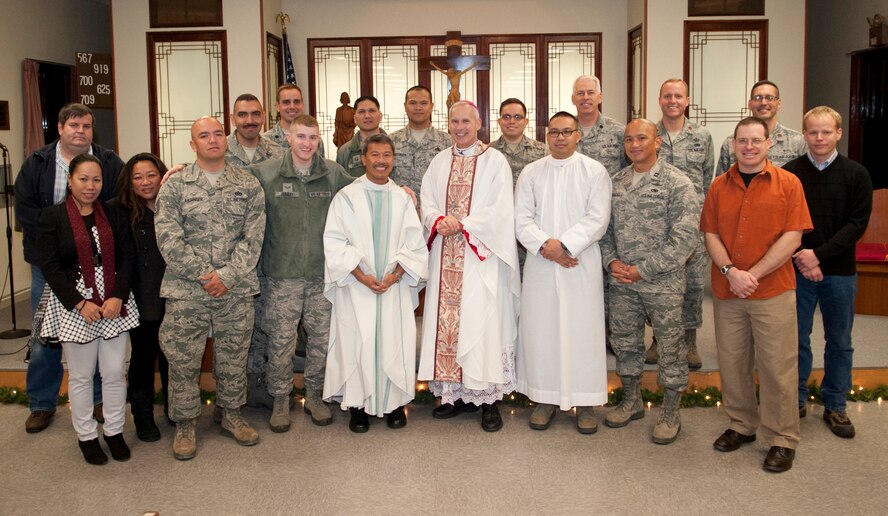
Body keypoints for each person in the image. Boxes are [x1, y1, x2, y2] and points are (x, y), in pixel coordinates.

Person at [701, 117, 813, 473]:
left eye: (756, 140)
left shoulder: (789, 183)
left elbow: (793, 237)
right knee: (733, 362)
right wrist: (731, 272)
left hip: (772, 291)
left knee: (777, 366)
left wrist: (753, 275)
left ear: (768, 144)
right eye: (742, 141)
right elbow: (711, 235)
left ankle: (782, 438)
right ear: (733, 145)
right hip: (728, 290)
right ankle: (741, 424)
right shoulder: (719, 185)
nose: (749, 147)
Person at [155, 117, 266, 460]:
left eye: (218, 133)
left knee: (233, 356)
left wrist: (228, 276)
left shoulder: (247, 184)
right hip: (187, 290)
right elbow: (168, 238)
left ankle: (230, 413)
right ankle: (186, 422)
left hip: (234, 289)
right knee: (183, 359)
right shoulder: (175, 186)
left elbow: (254, 237)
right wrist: (206, 275)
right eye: (204, 135)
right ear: (193, 145)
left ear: (226, 139)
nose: (213, 140)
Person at [14, 102, 123, 433]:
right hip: (50, 265)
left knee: (98, 331)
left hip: (99, 265)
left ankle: (98, 399)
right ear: (60, 128)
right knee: (45, 337)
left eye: (86, 126)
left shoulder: (108, 162)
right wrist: (59, 233)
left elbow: (119, 204)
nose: (80, 131)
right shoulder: (38, 163)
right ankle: (42, 403)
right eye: (74, 125)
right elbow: (25, 210)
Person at [417, 101, 520, 432]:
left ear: (479, 123)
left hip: (480, 258)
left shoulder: (495, 161)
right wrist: (438, 219)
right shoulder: (438, 161)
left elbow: (501, 209)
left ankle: (489, 400)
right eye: (454, 121)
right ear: (448, 124)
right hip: (445, 253)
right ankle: (455, 396)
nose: (460, 127)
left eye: (466, 121)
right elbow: (427, 201)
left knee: (482, 324)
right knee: (450, 327)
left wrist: (463, 223)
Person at [250, 114, 354, 431]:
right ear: (289, 138)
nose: (307, 143)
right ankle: (281, 400)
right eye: (300, 137)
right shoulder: (266, 174)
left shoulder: (332, 173)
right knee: (280, 343)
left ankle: (316, 397)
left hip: (321, 276)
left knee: (321, 342)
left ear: (318, 139)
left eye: (312, 137)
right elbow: (231, 184)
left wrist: (398, 189)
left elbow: (363, 192)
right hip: (281, 276)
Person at [600, 119, 699, 445]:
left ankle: (671, 412)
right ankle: (632, 401)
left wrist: (644, 269)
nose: (634, 144)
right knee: (626, 345)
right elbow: (604, 232)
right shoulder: (615, 182)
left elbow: (684, 240)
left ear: (657, 142)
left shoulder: (677, 183)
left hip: (663, 284)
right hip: (622, 283)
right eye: (629, 139)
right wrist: (612, 261)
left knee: (670, 350)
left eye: (642, 137)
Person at [37, 154, 139, 465]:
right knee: (81, 376)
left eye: (96, 180)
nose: (90, 186)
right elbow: (50, 267)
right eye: (83, 179)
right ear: (70, 180)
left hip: (112, 303)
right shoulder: (52, 217)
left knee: (113, 372)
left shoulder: (112, 214)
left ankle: (114, 431)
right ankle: (86, 436)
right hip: (74, 305)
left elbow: (128, 256)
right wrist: (80, 303)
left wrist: (118, 296)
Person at [323, 134, 429, 433]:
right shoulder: (346, 197)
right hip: (358, 287)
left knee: (394, 341)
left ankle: (395, 403)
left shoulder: (402, 199)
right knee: (358, 341)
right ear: (363, 159)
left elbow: (415, 244)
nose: (381, 161)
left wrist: (395, 276)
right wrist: (361, 276)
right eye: (375, 155)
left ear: (393, 160)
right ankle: (358, 405)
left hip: (392, 287)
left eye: (386, 155)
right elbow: (334, 241)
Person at [514, 112, 611, 434]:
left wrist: (566, 245)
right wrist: (546, 246)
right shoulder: (531, 172)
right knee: (542, 331)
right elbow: (521, 218)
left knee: (583, 332)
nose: (560, 138)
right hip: (542, 263)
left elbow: (597, 218)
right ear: (546, 136)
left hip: (579, 262)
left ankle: (585, 403)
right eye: (554, 132)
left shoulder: (594, 171)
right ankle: (545, 398)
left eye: (566, 132)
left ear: (577, 135)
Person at [782, 106, 873, 438]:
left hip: (839, 272)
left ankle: (835, 403)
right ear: (803, 134)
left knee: (839, 340)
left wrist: (817, 257)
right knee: (796, 340)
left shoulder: (856, 174)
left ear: (838, 133)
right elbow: (784, 223)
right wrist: (803, 258)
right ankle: (797, 399)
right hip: (797, 270)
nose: (819, 138)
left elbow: (856, 225)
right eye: (812, 132)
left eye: (826, 132)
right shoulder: (790, 173)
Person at [646, 78, 715, 369]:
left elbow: (708, 178)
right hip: (657, 224)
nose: (672, 101)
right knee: (660, 283)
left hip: (692, 225)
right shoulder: (649, 133)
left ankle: (689, 341)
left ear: (687, 101)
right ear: (659, 100)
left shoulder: (702, 135)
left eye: (678, 96)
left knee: (694, 284)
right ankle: (658, 341)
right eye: (666, 96)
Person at [106, 153, 171, 442]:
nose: (146, 182)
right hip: (140, 294)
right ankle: (143, 417)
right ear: (129, 183)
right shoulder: (118, 210)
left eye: (151, 175)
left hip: (174, 292)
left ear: (162, 176)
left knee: (173, 356)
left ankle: (175, 408)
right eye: (138, 177)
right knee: (144, 357)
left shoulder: (173, 204)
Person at [715, 80, 806, 176]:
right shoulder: (731, 143)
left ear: (778, 103)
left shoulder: (797, 141)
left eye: (769, 98)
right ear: (749, 104)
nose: (763, 102)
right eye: (757, 98)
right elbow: (721, 183)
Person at [390, 85, 453, 202]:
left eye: (423, 103)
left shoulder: (448, 141)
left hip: (436, 213)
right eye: (412, 103)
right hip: (400, 210)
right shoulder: (391, 141)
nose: (418, 107)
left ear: (432, 106)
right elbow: (384, 179)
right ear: (405, 106)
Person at [571, 75, 627, 175]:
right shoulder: (564, 132)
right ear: (573, 99)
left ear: (600, 97)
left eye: (591, 92)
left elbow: (629, 169)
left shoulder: (618, 131)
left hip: (608, 190)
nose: (585, 97)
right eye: (580, 93)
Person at [490, 98, 548, 187]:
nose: (512, 121)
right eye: (506, 117)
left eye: (518, 117)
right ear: (499, 121)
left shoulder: (542, 151)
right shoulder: (489, 152)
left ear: (526, 122)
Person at [264, 84, 325, 158]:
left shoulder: (315, 140)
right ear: (277, 107)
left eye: (296, 102)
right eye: (286, 102)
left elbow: (321, 168)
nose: (292, 107)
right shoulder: (265, 141)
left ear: (302, 105)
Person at [226, 93, 284, 167]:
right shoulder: (219, 151)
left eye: (256, 114)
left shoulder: (279, 153)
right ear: (233, 119)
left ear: (263, 118)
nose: (250, 121)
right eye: (242, 115)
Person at [336, 95, 385, 177]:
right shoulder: (344, 151)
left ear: (380, 116)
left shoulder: (395, 146)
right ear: (354, 118)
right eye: (361, 112)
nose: (367, 116)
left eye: (372, 111)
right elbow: (340, 185)